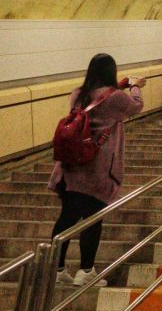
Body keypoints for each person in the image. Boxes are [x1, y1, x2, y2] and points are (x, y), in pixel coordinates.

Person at [48, 54, 146, 286]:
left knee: (67, 218)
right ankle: (85, 271)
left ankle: (57, 268)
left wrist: (119, 86)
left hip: (71, 167)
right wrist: (134, 87)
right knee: (93, 219)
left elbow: (100, 98)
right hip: (97, 170)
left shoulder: (77, 94)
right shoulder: (118, 99)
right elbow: (136, 106)